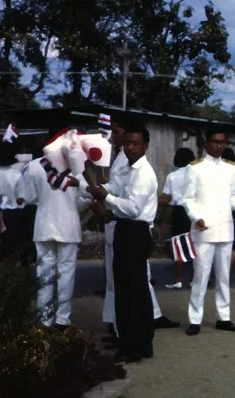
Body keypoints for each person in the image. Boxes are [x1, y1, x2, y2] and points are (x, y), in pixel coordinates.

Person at [86, 118, 158, 363]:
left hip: (136, 231)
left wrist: (108, 198)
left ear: (145, 145)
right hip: (124, 230)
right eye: (127, 143)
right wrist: (97, 189)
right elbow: (114, 187)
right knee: (125, 288)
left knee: (134, 290)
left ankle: (138, 345)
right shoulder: (127, 168)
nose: (130, 148)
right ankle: (132, 341)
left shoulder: (144, 174)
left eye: (135, 144)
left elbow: (133, 208)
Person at [182, 127, 235, 336]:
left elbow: (234, 196)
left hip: (225, 229)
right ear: (206, 143)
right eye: (215, 142)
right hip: (204, 230)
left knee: (224, 277)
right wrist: (196, 217)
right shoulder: (194, 168)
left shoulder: (232, 168)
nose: (219, 145)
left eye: (223, 142)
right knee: (200, 276)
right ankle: (195, 319)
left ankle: (224, 317)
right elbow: (188, 198)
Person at [19, 146, 92, 330]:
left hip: (43, 223)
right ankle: (62, 319)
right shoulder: (75, 166)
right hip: (68, 225)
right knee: (66, 272)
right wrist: (74, 209)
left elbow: (27, 197)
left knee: (44, 271)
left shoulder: (33, 166)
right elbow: (87, 195)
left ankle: (43, 318)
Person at [160, 147, 196, 289]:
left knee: (179, 244)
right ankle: (194, 279)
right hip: (193, 211)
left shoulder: (172, 176)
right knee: (195, 245)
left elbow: (167, 198)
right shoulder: (196, 175)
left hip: (179, 211)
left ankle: (178, 279)